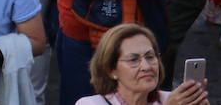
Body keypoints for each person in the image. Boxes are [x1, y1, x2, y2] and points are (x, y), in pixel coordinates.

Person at [77, 24, 210, 105]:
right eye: (133, 60)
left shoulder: (171, 99)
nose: (146, 66)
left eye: (150, 57)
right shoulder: (90, 103)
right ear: (111, 70)